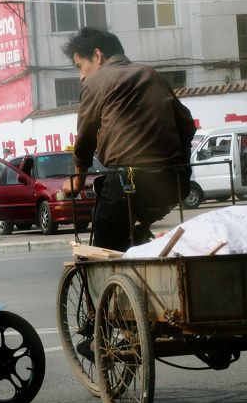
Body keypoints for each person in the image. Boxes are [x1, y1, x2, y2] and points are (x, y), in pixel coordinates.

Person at [60, 27, 197, 251]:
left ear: (97, 55)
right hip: (173, 185)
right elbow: (187, 126)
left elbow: (85, 140)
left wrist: (77, 181)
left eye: (80, 66)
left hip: (128, 184)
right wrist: (179, 166)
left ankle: (110, 283)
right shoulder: (151, 74)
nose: (82, 75)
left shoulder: (94, 83)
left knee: (104, 243)